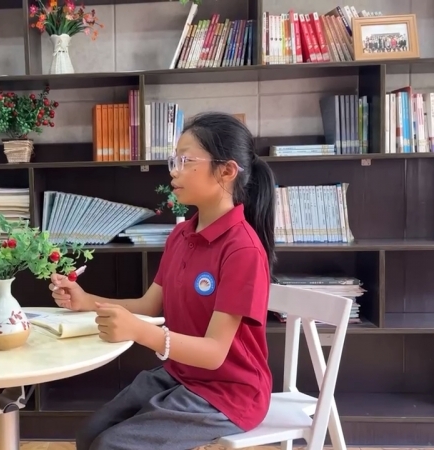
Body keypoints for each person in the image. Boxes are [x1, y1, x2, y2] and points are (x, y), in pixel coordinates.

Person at [50, 112, 276, 450]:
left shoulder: (242, 249)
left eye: (186, 161)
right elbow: (148, 305)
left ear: (227, 171)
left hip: (229, 392)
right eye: (175, 160)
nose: (174, 171)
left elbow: (214, 353)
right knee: (89, 435)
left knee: (109, 446)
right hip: (181, 374)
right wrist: (86, 302)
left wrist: (139, 331)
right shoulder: (181, 235)